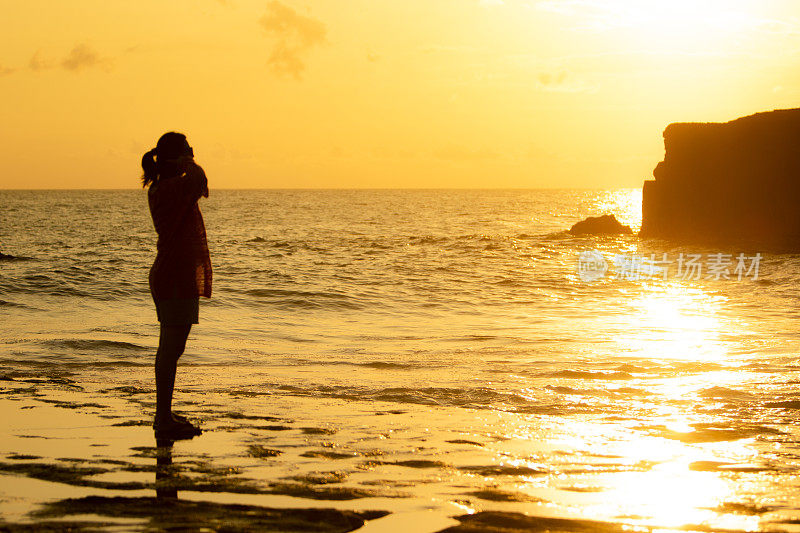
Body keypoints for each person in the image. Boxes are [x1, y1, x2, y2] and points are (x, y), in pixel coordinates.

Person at [142, 132, 212, 440]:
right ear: (177, 157)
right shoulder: (169, 188)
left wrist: (183, 160)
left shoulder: (168, 187)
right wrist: (189, 161)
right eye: (187, 151)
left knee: (173, 348)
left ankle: (164, 413)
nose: (192, 156)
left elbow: (200, 185)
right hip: (172, 275)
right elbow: (200, 180)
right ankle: (162, 417)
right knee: (170, 349)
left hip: (175, 274)